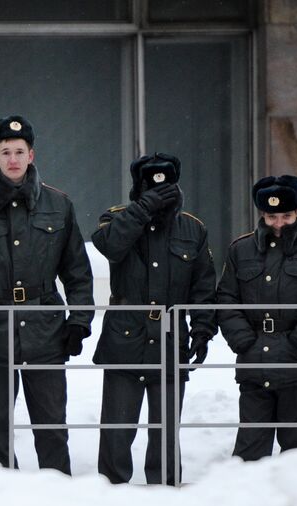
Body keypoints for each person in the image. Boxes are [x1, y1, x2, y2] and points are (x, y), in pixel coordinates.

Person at [0, 115, 93, 472]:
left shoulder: (59, 205)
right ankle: (2, 498)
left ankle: (58, 493)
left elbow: (78, 272)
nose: (13, 159)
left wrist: (80, 322)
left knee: (52, 425)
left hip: (46, 327)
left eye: (19, 151)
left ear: (32, 155)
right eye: (5, 151)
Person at [91, 151, 216, 485]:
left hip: (170, 338)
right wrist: (143, 207)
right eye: (151, 187)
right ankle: (111, 490)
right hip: (124, 336)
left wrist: (203, 330)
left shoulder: (192, 228)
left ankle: (165, 488)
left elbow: (203, 286)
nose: (160, 194)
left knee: (165, 431)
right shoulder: (116, 218)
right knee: (117, 430)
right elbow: (111, 246)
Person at [216, 175, 297, 460]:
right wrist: (244, 342)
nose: (279, 223)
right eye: (272, 216)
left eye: (286, 216)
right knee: (250, 452)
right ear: (262, 214)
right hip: (254, 361)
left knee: (296, 453)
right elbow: (226, 299)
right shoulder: (241, 249)